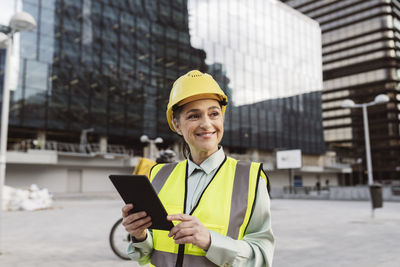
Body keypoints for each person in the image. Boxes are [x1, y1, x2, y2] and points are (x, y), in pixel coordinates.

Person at [121, 70, 275, 266]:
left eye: (214, 114)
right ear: (177, 125)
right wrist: (140, 235)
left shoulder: (250, 178)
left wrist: (211, 241)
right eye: (194, 116)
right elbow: (146, 255)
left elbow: (262, 256)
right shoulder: (158, 175)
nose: (206, 124)